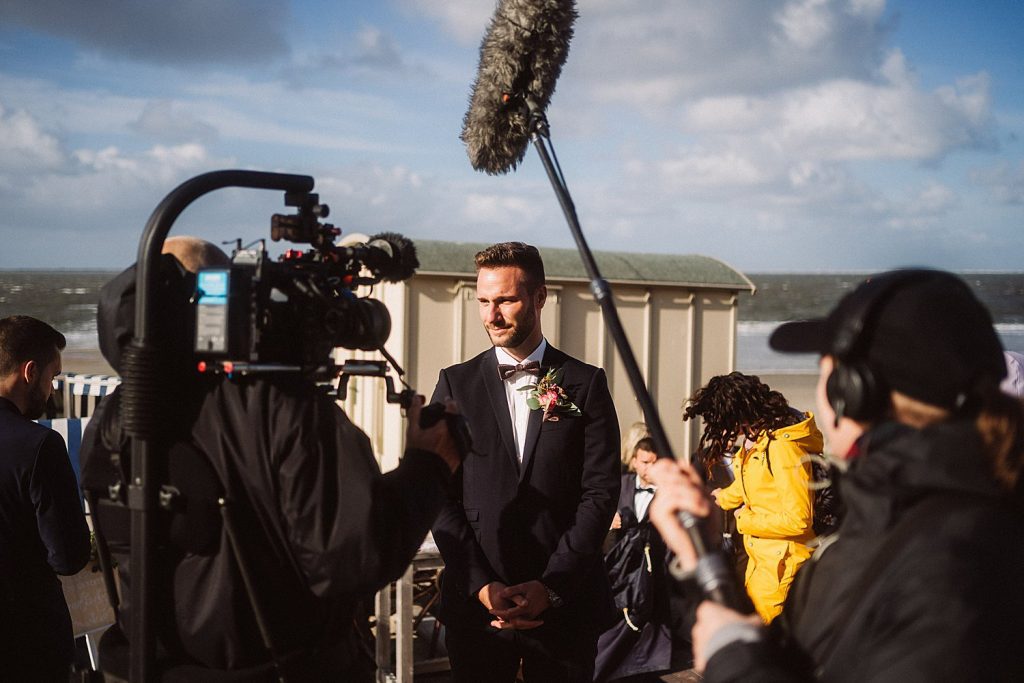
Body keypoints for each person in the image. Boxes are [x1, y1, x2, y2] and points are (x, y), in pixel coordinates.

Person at [80, 243, 463, 681]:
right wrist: (428, 467)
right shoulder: (280, 407)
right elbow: (352, 557)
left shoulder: (113, 416)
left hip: (146, 666)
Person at [648, 269, 1024, 681]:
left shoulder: (953, 564)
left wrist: (731, 662)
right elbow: (799, 659)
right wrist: (699, 553)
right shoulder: (887, 519)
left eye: (825, 370)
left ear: (856, 392)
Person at [430, 241, 621, 683]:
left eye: (505, 301)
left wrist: (551, 587)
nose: (491, 316)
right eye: (483, 301)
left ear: (539, 297)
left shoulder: (585, 383)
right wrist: (481, 585)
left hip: (566, 602)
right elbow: (439, 494)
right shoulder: (454, 384)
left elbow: (600, 492)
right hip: (476, 607)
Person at [683, 372, 823, 623]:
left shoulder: (782, 448)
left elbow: (800, 519)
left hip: (785, 567)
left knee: (771, 648)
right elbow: (755, 484)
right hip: (763, 562)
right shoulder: (757, 442)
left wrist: (745, 520)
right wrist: (720, 498)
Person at [0, 315, 91, 680]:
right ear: (30, 372)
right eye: (53, 377)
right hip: (28, 640)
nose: (52, 389)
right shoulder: (39, 446)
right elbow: (69, 556)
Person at [594, 437, 676, 682]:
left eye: (655, 462)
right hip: (620, 565)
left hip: (654, 566)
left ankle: (645, 664)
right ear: (634, 461)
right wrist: (608, 523)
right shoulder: (620, 485)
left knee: (648, 618)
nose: (649, 468)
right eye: (645, 462)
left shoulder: (671, 494)